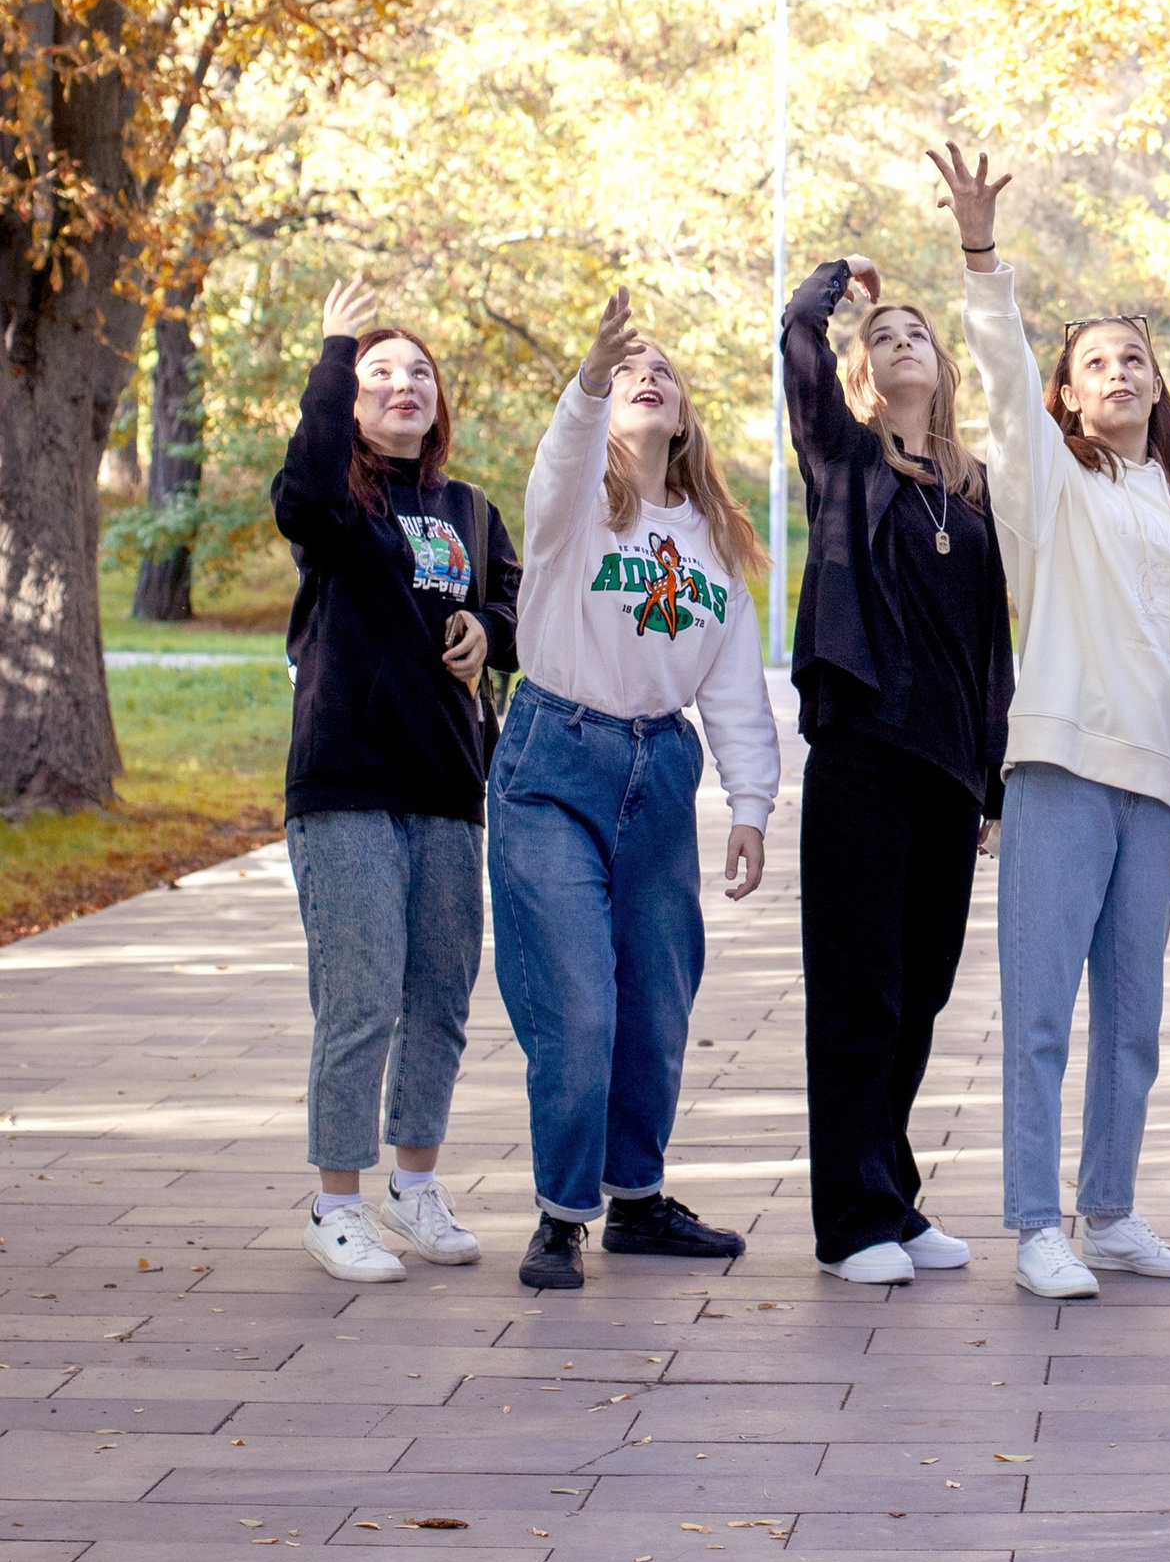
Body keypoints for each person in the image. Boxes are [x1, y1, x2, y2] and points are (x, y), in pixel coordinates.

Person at [933, 142, 1170, 1299]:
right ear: (1068, 392)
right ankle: (1034, 1223)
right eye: (1093, 361)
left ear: (1158, 383)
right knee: (1043, 1011)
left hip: (1155, 788)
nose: (1115, 371)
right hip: (1059, 765)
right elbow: (1003, 373)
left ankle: (1109, 1211)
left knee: (1137, 1021)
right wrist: (980, 256)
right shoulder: (1049, 485)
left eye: (1133, 358)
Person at [489, 289, 778, 1294]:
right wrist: (583, 379)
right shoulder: (572, 507)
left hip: (660, 768)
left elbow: (736, 684)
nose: (645, 376)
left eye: (663, 369)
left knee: (656, 1000)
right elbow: (563, 458)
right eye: (627, 371)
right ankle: (562, 1214)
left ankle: (639, 1201)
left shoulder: (710, 535)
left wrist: (750, 804)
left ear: (687, 413)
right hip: (554, 758)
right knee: (577, 1000)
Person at [272, 277, 519, 1284]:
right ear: (353, 400)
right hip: (346, 783)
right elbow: (299, 493)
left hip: (448, 785)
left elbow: (511, 598)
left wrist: (487, 628)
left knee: (439, 994)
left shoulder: (469, 506)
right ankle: (335, 1204)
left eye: (419, 370)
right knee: (361, 994)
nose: (403, 383)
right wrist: (333, 355)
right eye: (380, 373)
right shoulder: (337, 502)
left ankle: (415, 1185)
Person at [782, 253, 1012, 1285]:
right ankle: (851, 1222)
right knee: (857, 992)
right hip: (864, 756)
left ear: (943, 369)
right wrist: (836, 287)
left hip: (948, 769)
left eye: (916, 331)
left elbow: (990, 644)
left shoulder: (970, 491)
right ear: (865, 376)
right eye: (884, 337)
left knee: (920, 990)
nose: (901, 340)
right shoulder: (842, 457)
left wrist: (992, 774)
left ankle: (894, 1190)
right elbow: (797, 349)